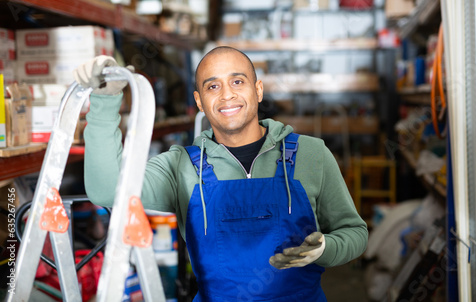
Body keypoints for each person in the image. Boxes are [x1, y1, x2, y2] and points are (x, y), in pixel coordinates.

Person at [74, 46, 368, 301]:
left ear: (258, 90)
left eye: (238, 81)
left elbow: (355, 233)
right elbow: (106, 189)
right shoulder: (181, 167)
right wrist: (103, 102)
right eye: (213, 86)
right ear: (200, 101)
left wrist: (325, 249)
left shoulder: (311, 154)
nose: (227, 95)